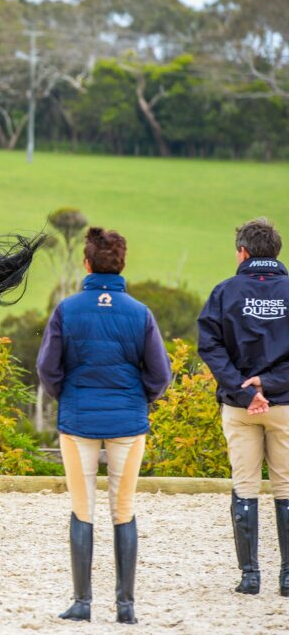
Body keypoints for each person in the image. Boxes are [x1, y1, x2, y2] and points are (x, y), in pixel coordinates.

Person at [37, 227, 171, 624]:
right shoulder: (140, 312)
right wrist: (137, 397)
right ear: (122, 264)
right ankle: (125, 608)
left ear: (87, 263)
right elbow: (160, 374)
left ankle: (82, 603)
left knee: (83, 509)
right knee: (123, 508)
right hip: (128, 422)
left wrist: (70, 394)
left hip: (78, 420)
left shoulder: (67, 309)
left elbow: (47, 367)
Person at [197, 217, 289, 598]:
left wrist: (244, 387)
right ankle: (288, 578)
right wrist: (270, 384)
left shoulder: (224, 291)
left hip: (239, 406)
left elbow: (210, 344)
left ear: (243, 252)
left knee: (245, 485)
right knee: (286, 487)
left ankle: (250, 576)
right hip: (286, 404)